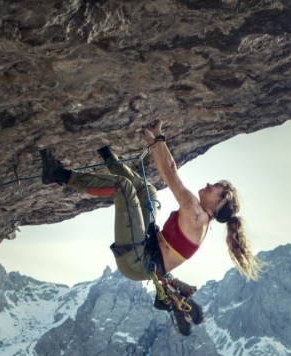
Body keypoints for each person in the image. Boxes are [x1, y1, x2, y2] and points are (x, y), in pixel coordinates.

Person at [39, 118, 261, 334]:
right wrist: (155, 139)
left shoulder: (196, 215)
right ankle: (106, 154)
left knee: (123, 188)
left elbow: (170, 172)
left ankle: (56, 174)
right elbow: (168, 171)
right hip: (146, 248)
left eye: (217, 187)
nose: (209, 184)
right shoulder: (200, 219)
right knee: (149, 192)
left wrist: (156, 139)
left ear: (221, 201)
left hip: (136, 260)